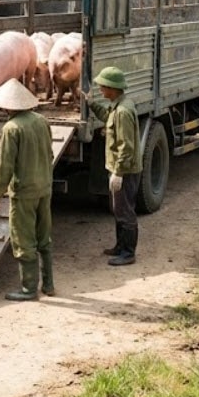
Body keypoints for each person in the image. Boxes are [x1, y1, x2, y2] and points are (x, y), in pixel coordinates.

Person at [0, 79, 55, 300]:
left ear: (7, 106)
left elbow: (6, 165)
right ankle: (49, 284)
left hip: (24, 192)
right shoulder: (42, 121)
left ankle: (28, 289)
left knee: (23, 239)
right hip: (44, 187)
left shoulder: (11, 128)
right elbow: (49, 153)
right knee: (44, 237)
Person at [84, 66, 142, 266]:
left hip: (125, 170)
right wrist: (91, 104)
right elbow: (106, 118)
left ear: (113, 88)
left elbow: (127, 145)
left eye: (103, 87)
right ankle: (120, 246)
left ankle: (128, 252)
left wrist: (118, 172)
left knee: (125, 210)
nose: (101, 90)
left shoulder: (123, 112)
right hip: (119, 167)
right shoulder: (118, 106)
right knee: (117, 208)